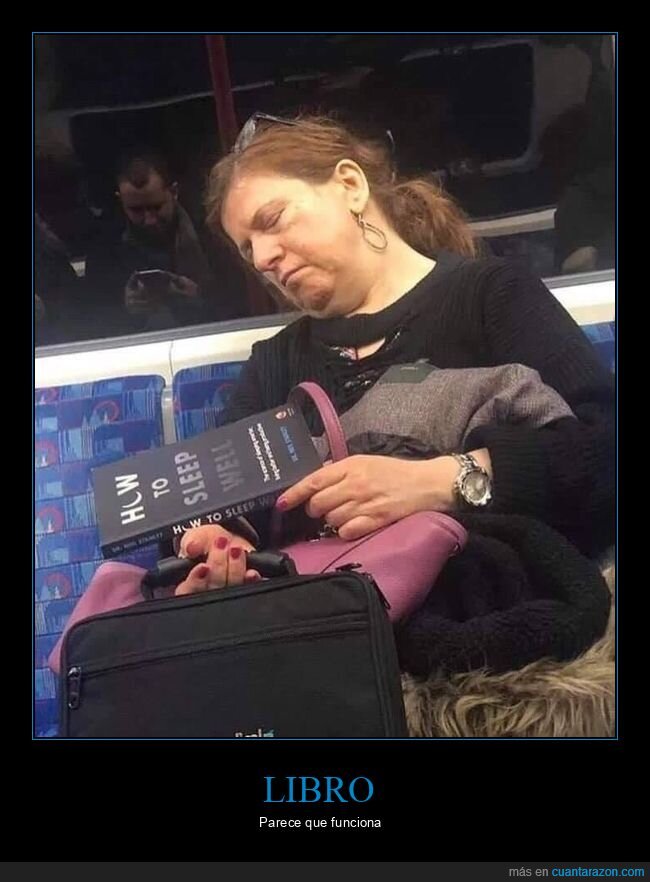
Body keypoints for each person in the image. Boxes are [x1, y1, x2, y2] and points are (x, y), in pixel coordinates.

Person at [171, 115, 614, 675]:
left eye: (273, 220)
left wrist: (443, 480)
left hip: (498, 644)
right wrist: (212, 542)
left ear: (350, 185)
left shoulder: (490, 296)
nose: (262, 259)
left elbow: (605, 449)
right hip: (335, 649)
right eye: (247, 248)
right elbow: (212, 498)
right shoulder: (275, 363)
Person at [84, 152, 245, 334]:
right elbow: (93, 320)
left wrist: (200, 297)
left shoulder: (211, 231)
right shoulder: (104, 248)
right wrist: (127, 309)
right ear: (120, 199)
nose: (149, 220)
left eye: (156, 207)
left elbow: (243, 300)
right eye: (136, 210)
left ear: (174, 192)